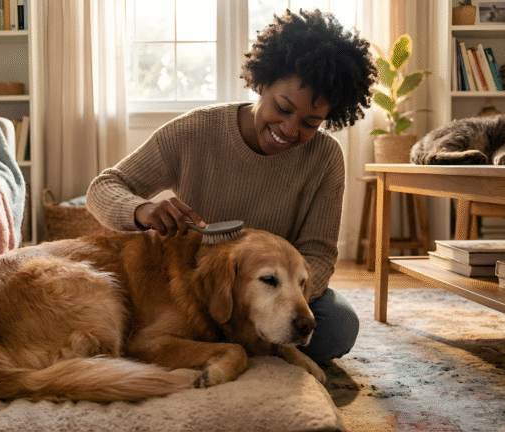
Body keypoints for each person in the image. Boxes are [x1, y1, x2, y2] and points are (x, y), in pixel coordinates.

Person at [86, 9, 376, 364]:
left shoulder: (326, 158)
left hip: (271, 290)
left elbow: (318, 254)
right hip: (195, 287)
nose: (288, 129)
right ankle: (231, 342)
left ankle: (242, 335)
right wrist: (143, 210)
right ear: (262, 82)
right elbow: (103, 187)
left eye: (310, 123)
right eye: (281, 108)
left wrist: (268, 301)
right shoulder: (194, 132)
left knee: (337, 328)